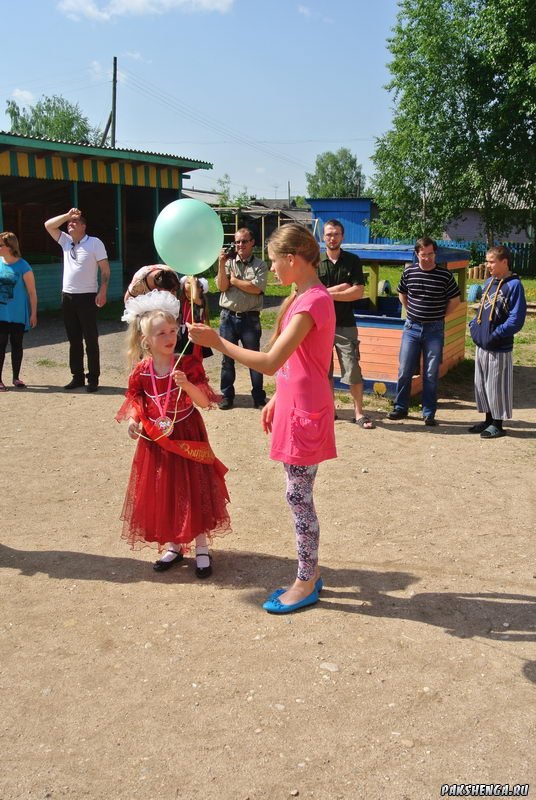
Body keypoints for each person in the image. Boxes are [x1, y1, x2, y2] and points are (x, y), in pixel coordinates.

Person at [189, 224, 336, 614]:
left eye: (273, 261)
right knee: (296, 494)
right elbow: (297, 363)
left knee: (298, 498)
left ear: (292, 259)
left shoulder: (312, 301)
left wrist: (218, 343)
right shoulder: (301, 295)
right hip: (296, 405)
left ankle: (305, 581)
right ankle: (310, 571)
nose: (271, 269)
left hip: (306, 412)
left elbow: (270, 362)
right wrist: (277, 397)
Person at [116, 290, 230, 576]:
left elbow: (205, 402)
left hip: (188, 436)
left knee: (194, 489)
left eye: (172, 331)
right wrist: (133, 421)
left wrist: (187, 386)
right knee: (164, 489)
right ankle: (174, 545)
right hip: (157, 440)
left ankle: (202, 547)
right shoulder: (141, 371)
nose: (169, 337)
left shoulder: (188, 365)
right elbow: (136, 400)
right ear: (146, 341)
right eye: (161, 334)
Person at [387, 237, 461, 425]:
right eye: (423, 254)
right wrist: (410, 310)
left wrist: (441, 316)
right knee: (404, 370)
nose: (427, 258)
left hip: (434, 329)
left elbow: (455, 300)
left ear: (435, 254)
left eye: (430, 254)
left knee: (430, 373)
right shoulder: (409, 272)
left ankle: (428, 412)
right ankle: (400, 407)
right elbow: (402, 293)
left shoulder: (445, 276)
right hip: (412, 327)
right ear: (417, 254)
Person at [44, 208, 110, 392]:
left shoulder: (94, 243)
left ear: (84, 226)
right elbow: (48, 225)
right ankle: (78, 376)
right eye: (69, 223)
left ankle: (93, 378)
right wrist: (67, 215)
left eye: (75, 222)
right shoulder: (65, 240)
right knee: (74, 339)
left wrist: (103, 290)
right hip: (68, 295)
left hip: (87, 295)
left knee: (91, 339)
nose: (71, 224)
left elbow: (105, 269)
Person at [319, 219, 374, 429]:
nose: (332, 238)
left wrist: (326, 294)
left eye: (336, 234)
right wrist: (341, 289)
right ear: (323, 237)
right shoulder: (314, 261)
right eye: (328, 234)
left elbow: (358, 292)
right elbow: (307, 293)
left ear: (342, 237)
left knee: (352, 370)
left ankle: (359, 413)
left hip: (345, 325)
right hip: (320, 326)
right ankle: (329, 411)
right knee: (323, 372)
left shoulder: (352, 260)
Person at [468, 246, 526, 439]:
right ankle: (487, 420)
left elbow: (516, 319)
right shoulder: (489, 282)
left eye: (492, 261)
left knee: (497, 385)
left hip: (499, 346)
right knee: (483, 384)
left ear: (504, 262)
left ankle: (498, 424)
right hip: (482, 344)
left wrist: (497, 334)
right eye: (487, 261)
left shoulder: (514, 286)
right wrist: (474, 327)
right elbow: (481, 310)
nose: (487, 265)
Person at [216, 227, 269, 409]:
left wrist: (236, 282)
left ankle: (258, 398)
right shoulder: (228, 263)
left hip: (250, 319)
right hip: (228, 318)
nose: (240, 245)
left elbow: (257, 288)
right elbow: (222, 287)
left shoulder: (260, 265)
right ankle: (227, 396)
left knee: (254, 359)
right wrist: (221, 265)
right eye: (237, 241)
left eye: (244, 241)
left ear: (252, 243)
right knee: (227, 360)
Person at [0, 232, 38, 391]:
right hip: (1, 313)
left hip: (17, 314)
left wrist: (33, 313)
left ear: (10, 247)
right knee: (0, 345)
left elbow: (32, 292)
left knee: (17, 345)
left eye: (1, 245)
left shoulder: (23, 265)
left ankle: (16, 378)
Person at [176, 275, 212, 360]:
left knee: (194, 359)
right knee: (180, 358)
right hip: (183, 334)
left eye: (191, 292)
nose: (189, 295)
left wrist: (193, 282)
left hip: (195, 333)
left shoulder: (200, 302)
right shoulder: (183, 301)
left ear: (200, 290)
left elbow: (195, 298)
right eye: (186, 292)